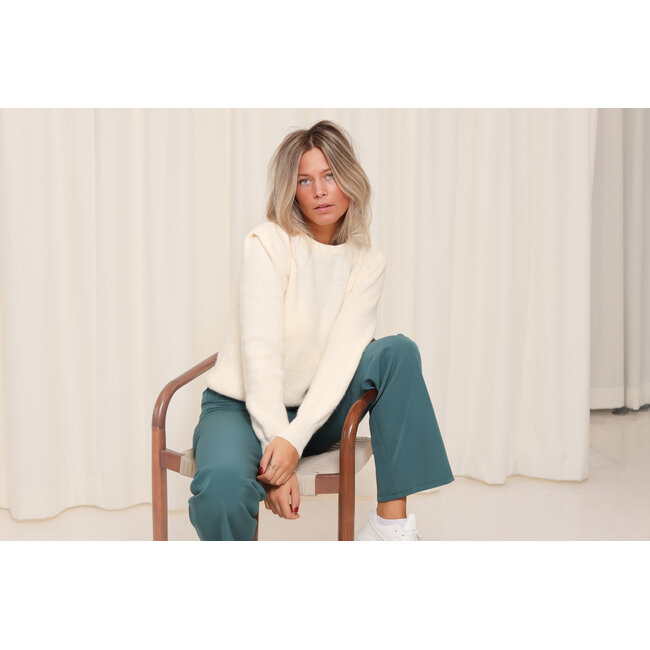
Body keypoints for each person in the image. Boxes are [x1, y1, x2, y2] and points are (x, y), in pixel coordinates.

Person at [188, 119, 454, 541]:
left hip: (318, 413)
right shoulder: (267, 243)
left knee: (397, 352)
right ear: (291, 190)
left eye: (330, 175)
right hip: (240, 409)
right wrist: (278, 452)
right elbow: (260, 355)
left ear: (349, 178)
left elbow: (341, 360)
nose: (319, 191)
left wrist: (293, 442)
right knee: (221, 488)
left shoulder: (367, 261)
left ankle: (390, 529)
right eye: (305, 180)